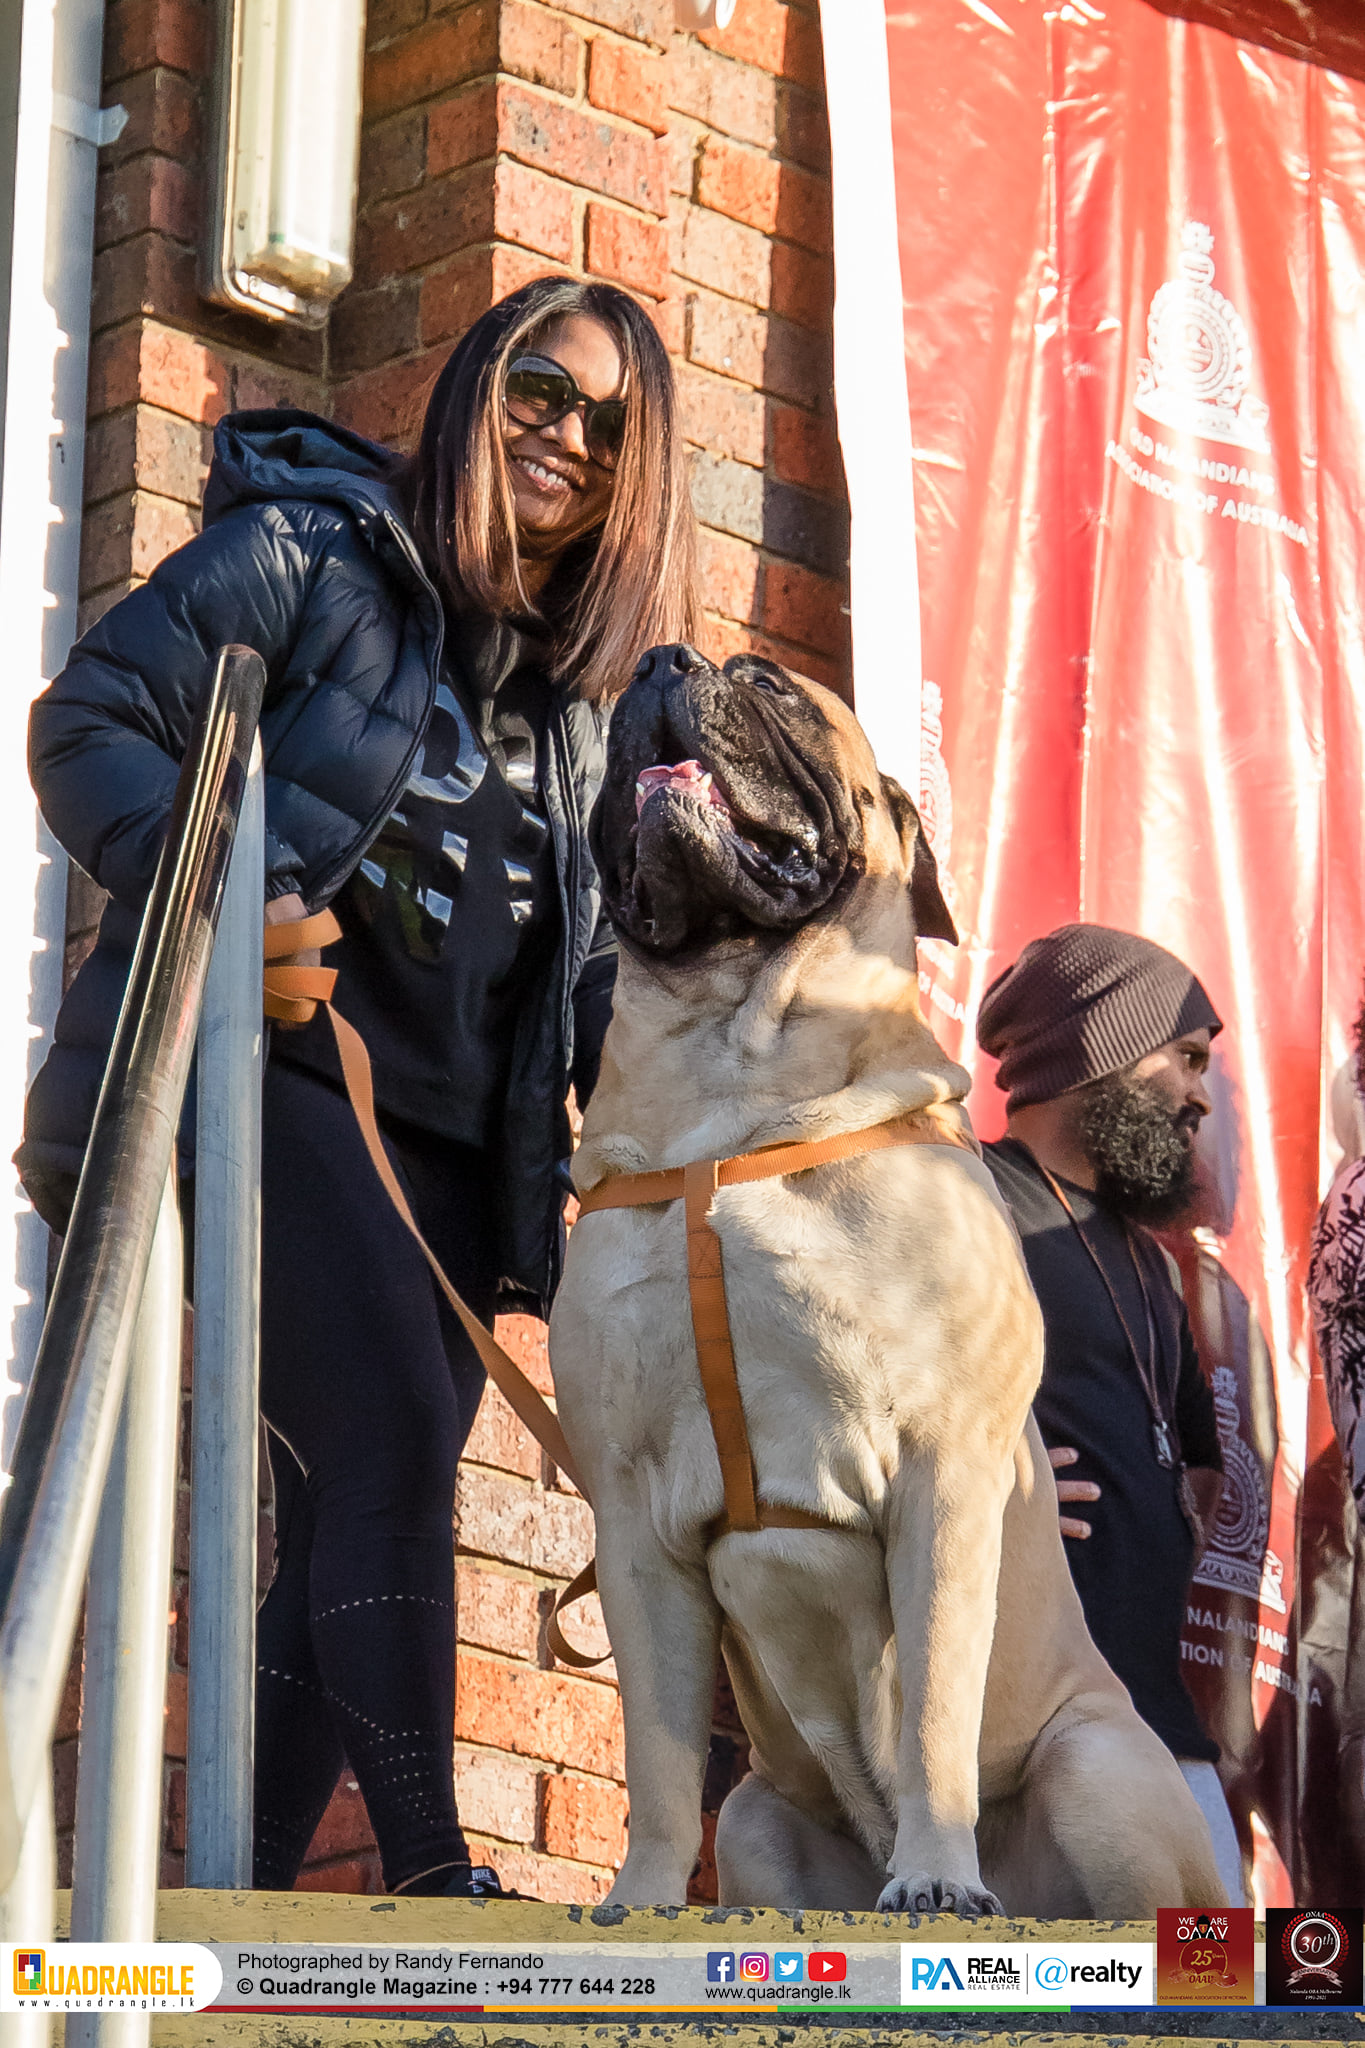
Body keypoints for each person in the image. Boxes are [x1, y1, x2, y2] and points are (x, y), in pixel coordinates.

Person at [18, 276, 699, 1897]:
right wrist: (214, 886)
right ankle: (426, 1864)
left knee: (348, 1502)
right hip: (253, 1079)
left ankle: (237, 1902)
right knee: (391, 1435)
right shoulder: (313, 560)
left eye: (611, 423)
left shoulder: (589, 718)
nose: (567, 433)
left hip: (455, 1169)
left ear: (634, 476)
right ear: (481, 382)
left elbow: (594, 992)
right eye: (544, 386)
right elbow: (88, 717)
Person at [975, 922, 1243, 1901]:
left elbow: (1196, 1468)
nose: (1200, 1095)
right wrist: (987, 1482)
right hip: (1020, 1754)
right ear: (1101, 1046)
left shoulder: (1152, 1266)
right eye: (1184, 1058)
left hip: (1165, 1738)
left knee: (1234, 2000)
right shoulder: (962, 1200)